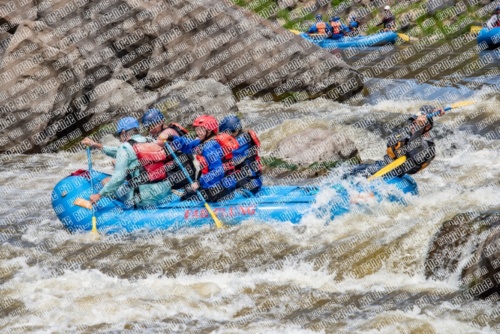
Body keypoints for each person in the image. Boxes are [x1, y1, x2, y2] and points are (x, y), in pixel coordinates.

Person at [82, 117, 172, 208]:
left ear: (124, 132)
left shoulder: (125, 147)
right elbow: (118, 151)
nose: (120, 139)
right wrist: (95, 145)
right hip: (165, 192)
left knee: (106, 181)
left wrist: (98, 195)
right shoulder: (151, 141)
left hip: (145, 199)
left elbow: (118, 178)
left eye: (120, 135)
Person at [351, 105, 445, 178]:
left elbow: (415, 144)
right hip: (384, 164)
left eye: (417, 124)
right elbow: (425, 108)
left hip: (392, 173)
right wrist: (434, 110)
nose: (413, 125)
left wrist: (418, 128)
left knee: (352, 174)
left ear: (427, 127)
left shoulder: (424, 146)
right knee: (351, 169)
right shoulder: (411, 132)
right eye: (414, 122)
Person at [166, 115, 239, 203]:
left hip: (220, 189)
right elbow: (188, 145)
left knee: (186, 198)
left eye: (201, 130)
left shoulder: (209, 147)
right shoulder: (207, 141)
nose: (198, 133)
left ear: (209, 131)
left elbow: (217, 172)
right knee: (189, 192)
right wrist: (173, 138)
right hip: (223, 186)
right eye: (197, 130)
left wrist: (199, 183)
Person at [141, 108, 196, 190]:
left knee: (145, 177)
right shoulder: (171, 129)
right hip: (182, 171)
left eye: (152, 126)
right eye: (148, 127)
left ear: (161, 122)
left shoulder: (168, 132)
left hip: (183, 175)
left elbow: (153, 145)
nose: (150, 129)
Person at [219, 115, 263, 195]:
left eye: (225, 133)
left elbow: (228, 159)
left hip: (249, 184)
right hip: (253, 180)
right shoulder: (244, 136)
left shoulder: (242, 141)